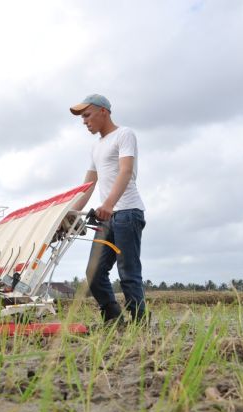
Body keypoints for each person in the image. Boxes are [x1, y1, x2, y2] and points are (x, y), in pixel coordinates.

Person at [69, 94, 146, 323]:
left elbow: (125, 170)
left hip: (127, 213)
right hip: (107, 217)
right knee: (94, 273)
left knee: (128, 274)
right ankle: (114, 318)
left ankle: (139, 323)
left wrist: (109, 204)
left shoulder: (124, 134)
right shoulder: (96, 147)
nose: (84, 121)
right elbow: (88, 185)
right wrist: (69, 215)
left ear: (104, 111)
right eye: (82, 117)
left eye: (87, 115)